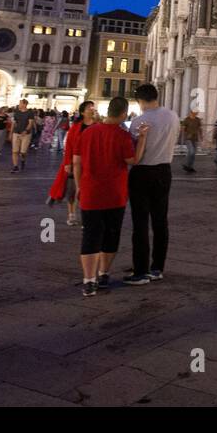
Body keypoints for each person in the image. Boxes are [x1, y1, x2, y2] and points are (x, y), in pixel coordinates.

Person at [73, 96, 147, 296]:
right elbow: (133, 160)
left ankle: (89, 281)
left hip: (90, 193)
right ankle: (103, 274)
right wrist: (142, 139)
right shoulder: (122, 135)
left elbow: (76, 162)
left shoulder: (87, 133)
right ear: (123, 114)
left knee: (90, 236)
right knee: (110, 235)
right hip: (115, 195)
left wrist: (79, 186)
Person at [124, 84, 179, 285]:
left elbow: (133, 153)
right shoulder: (173, 116)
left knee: (140, 223)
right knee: (160, 221)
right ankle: (157, 268)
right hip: (164, 171)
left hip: (142, 173)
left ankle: (140, 271)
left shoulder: (139, 121)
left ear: (140, 101)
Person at [49, 100, 97, 226]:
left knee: (89, 191)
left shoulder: (98, 125)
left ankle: (85, 216)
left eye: (93, 107)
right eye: (89, 107)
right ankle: (71, 214)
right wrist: (67, 162)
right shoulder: (76, 126)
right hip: (75, 162)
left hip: (91, 162)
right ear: (82, 112)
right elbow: (69, 145)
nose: (92, 109)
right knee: (72, 189)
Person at [9, 99, 35, 172]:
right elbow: (14, 123)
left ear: (24, 104)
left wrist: (26, 130)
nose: (19, 104)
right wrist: (10, 133)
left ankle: (23, 160)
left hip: (26, 134)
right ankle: (15, 166)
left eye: (20, 103)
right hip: (16, 133)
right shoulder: (16, 112)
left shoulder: (30, 113)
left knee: (23, 152)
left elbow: (30, 123)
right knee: (15, 151)